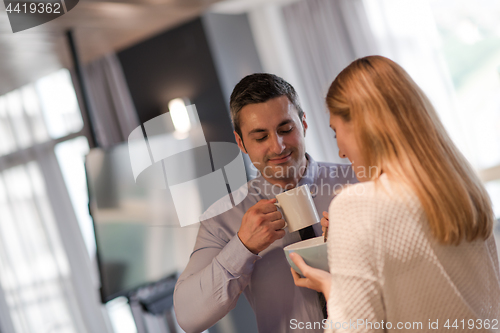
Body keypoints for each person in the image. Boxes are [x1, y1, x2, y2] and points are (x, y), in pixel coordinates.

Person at [290, 55, 500, 332]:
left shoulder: (355, 205)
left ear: (364, 126)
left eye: (335, 132)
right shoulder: (464, 189)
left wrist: (332, 287)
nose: (340, 151)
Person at [174, 73, 356, 332]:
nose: (278, 146)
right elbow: (188, 316)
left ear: (303, 124)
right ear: (241, 143)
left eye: (286, 129)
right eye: (260, 137)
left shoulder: (359, 181)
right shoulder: (222, 219)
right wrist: (242, 247)